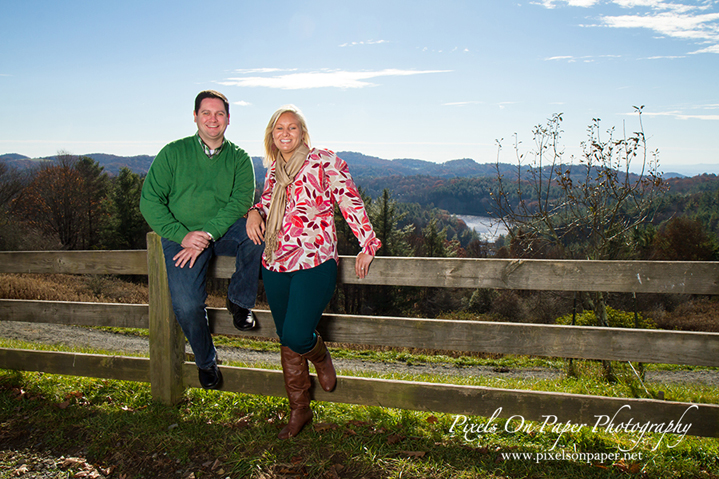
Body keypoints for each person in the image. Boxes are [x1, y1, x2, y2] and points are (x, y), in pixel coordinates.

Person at [246, 105, 381, 439]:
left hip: (314, 261)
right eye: (279, 129)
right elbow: (267, 201)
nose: (286, 134)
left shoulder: (325, 161)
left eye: (292, 128)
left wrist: (368, 243)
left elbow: (350, 201)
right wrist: (253, 211)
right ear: (272, 136)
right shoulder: (274, 169)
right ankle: (299, 410)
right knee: (287, 340)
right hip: (276, 262)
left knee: (296, 333)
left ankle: (320, 356)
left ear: (302, 132)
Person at [140, 90, 264, 390]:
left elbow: (239, 203)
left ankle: (238, 301)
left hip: (218, 232)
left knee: (257, 235)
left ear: (228, 119)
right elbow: (149, 201)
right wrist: (184, 235)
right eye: (206, 113)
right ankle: (206, 361)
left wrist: (207, 234)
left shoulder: (239, 158)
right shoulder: (173, 152)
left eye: (219, 113)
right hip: (180, 237)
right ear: (195, 116)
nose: (213, 119)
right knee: (186, 305)